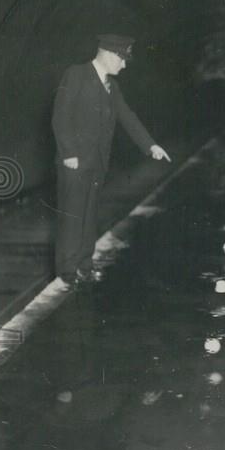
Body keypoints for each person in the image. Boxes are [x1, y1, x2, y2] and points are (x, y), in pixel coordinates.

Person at [52, 33, 171, 286]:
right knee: (72, 215)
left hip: (97, 162)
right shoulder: (76, 74)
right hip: (74, 162)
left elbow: (127, 116)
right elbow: (60, 116)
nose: (124, 65)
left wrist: (150, 145)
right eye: (122, 59)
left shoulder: (112, 86)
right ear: (108, 54)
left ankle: (84, 263)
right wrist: (68, 153)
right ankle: (67, 269)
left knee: (89, 213)